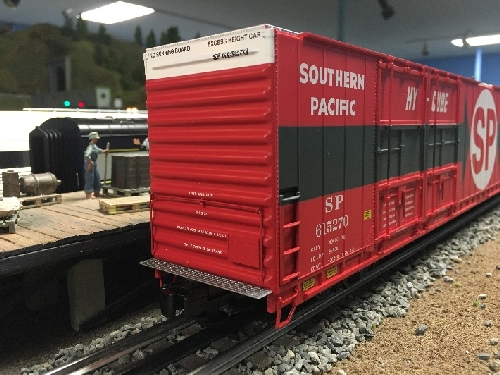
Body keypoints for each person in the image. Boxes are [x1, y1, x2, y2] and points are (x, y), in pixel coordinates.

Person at [84, 132, 109, 199]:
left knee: (96, 177)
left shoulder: (94, 146)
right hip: (90, 163)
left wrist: (104, 151)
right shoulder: (90, 147)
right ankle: (88, 194)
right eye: (96, 138)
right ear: (92, 138)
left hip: (94, 163)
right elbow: (86, 155)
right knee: (90, 178)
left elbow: (98, 150)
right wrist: (89, 162)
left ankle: (97, 192)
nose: (97, 140)